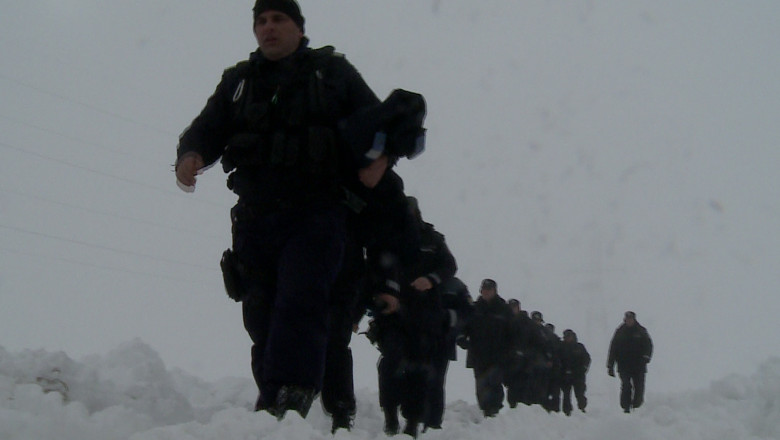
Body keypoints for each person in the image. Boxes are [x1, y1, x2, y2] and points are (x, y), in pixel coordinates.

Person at [175, 0, 393, 419]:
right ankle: (273, 401)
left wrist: (383, 156)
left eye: (278, 19)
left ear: (298, 27)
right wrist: (191, 154)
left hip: (316, 212)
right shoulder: (239, 82)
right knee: (260, 313)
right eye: (261, 21)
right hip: (255, 217)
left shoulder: (332, 73)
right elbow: (207, 127)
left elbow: (378, 122)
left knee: (301, 299)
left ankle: (289, 397)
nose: (268, 28)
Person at [372, 196, 458, 437]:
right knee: (390, 363)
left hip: (425, 316)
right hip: (393, 315)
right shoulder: (388, 237)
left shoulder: (433, 239)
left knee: (419, 369)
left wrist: (430, 280)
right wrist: (382, 293)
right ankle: (390, 414)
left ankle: (412, 421)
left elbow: (450, 266)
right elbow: (374, 269)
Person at [459, 279, 514, 417]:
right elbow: (464, 326)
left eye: (489, 290)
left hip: (498, 355)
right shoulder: (474, 308)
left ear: (495, 291)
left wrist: (510, 352)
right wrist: (461, 338)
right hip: (478, 354)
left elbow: (513, 332)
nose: (486, 292)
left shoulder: (504, 309)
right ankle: (485, 409)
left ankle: (494, 410)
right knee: (481, 384)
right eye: (484, 289)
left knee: (494, 382)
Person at [607, 311, 653, 413]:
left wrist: (646, 358)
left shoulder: (641, 331)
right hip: (624, 366)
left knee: (639, 387)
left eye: (631, 319)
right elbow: (613, 348)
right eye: (627, 319)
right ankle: (626, 407)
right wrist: (610, 365)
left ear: (634, 319)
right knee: (626, 386)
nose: (629, 320)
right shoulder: (620, 332)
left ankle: (637, 407)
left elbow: (648, 345)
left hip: (639, 366)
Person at [559, 329, 590, 416]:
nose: (568, 338)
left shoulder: (579, 347)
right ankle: (567, 411)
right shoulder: (561, 347)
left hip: (578, 374)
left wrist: (584, 368)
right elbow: (558, 359)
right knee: (566, 394)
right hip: (565, 374)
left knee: (580, 393)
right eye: (566, 337)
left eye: (569, 336)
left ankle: (582, 407)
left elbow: (587, 358)